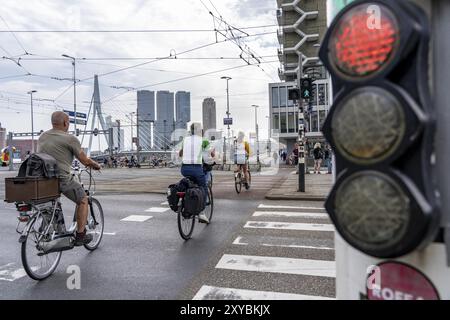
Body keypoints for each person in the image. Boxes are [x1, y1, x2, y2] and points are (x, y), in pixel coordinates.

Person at [37, 111, 101, 246]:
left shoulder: (43, 136)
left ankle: (48, 229)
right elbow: (85, 161)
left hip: (43, 179)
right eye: (69, 122)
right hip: (61, 179)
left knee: (51, 203)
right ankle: (80, 236)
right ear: (66, 123)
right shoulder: (70, 139)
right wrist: (95, 165)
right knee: (83, 200)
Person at [179, 123, 215, 224]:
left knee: (188, 184)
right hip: (196, 169)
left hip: (184, 169)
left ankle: (185, 203)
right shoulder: (203, 140)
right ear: (200, 131)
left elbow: (180, 154)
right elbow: (211, 153)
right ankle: (201, 213)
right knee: (203, 188)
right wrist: (213, 158)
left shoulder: (185, 139)